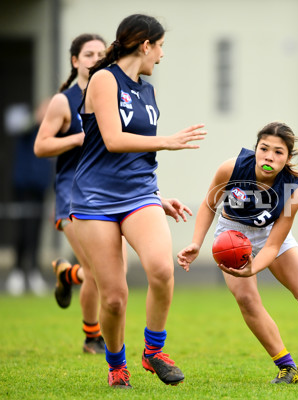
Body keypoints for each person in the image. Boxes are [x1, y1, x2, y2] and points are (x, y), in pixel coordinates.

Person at [177, 122, 298, 384]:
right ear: (256, 149)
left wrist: (254, 267)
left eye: (278, 152)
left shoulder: (295, 185)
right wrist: (196, 242)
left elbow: (272, 245)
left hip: (271, 235)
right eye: (264, 149)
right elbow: (208, 204)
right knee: (247, 300)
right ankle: (287, 366)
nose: (269, 156)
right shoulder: (232, 168)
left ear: (288, 158)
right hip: (232, 233)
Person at [70, 14, 206, 388]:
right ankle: (116, 365)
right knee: (114, 297)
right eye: (160, 47)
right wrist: (168, 141)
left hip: (139, 194)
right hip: (94, 199)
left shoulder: (149, 91)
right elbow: (113, 140)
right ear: (145, 44)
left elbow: (139, 156)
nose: (161, 56)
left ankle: (153, 351)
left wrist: (158, 197)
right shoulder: (103, 79)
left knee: (162, 270)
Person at [34, 33, 118, 355]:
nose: (95, 59)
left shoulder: (110, 95)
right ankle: (91, 338)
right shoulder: (63, 101)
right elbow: (41, 146)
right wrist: (76, 139)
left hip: (107, 191)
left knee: (112, 271)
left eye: (101, 54)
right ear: (75, 61)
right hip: (72, 192)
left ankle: (67, 274)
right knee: (98, 270)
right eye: (88, 54)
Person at [5, 100, 52, 296]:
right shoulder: (26, 122)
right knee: (22, 230)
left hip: (40, 187)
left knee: (36, 231)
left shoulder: (51, 129)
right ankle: (16, 272)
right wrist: (36, 117)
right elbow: (14, 125)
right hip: (22, 186)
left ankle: (33, 272)